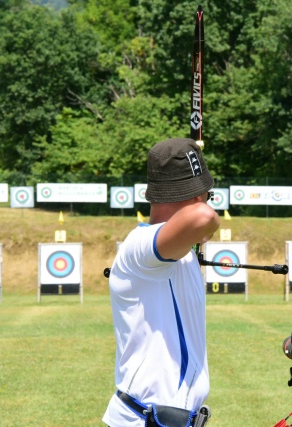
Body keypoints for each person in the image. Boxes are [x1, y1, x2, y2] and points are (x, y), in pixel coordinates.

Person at [102, 138, 220, 427]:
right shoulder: (140, 247)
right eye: (208, 194)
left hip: (170, 420)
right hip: (145, 420)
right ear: (195, 197)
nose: (208, 201)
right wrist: (200, 220)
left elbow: (196, 219)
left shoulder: (176, 254)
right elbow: (203, 217)